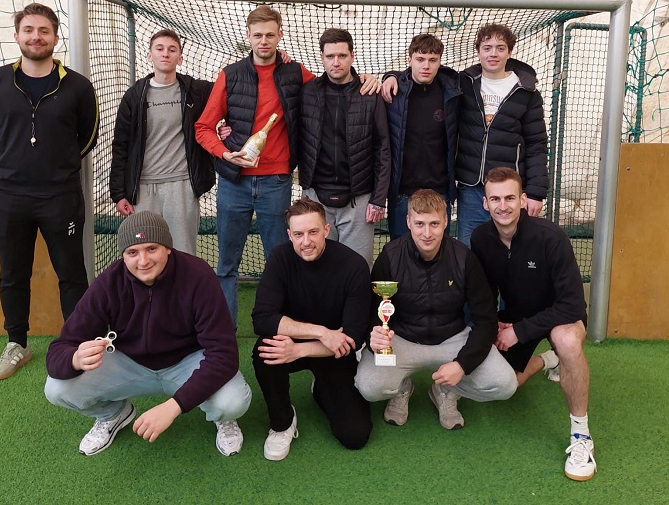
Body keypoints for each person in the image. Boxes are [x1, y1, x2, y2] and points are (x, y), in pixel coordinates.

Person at [195, 5, 379, 327]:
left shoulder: (296, 73)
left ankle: (283, 329)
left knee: (282, 262)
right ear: (248, 36)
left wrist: (369, 79)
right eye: (257, 35)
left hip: (276, 184)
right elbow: (203, 127)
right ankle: (223, 334)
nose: (263, 41)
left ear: (280, 35)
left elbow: (334, 82)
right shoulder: (230, 75)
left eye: (270, 35)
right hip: (233, 184)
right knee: (226, 265)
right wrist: (225, 153)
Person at [44, 211, 251, 457]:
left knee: (232, 402)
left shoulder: (198, 275)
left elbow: (224, 354)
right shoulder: (109, 282)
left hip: (187, 363)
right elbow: (60, 348)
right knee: (56, 388)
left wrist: (175, 406)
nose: (143, 261)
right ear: (123, 256)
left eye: (152, 249)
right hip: (130, 364)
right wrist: (75, 359)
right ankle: (113, 414)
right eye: (133, 252)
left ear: (168, 248)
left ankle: (222, 418)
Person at [0, 3, 99, 380]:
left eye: (44, 31)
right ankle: (17, 344)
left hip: (61, 196)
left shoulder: (78, 86)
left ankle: (78, 345)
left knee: (71, 272)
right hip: (8, 196)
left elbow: (88, 136)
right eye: (28, 30)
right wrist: (16, 163)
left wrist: (55, 167)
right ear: (17, 36)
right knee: (13, 273)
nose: (36, 37)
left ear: (55, 38)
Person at [471, 167, 596, 481]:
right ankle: (547, 360)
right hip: (518, 318)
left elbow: (572, 305)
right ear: (485, 203)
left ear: (523, 200)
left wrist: (519, 331)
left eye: (510, 198)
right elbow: (485, 294)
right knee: (505, 386)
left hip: (560, 319)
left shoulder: (551, 237)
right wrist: (495, 325)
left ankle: (581, 436)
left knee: (566, 341)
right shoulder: (481, 239)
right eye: (495, 199)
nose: (503, 206)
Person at [355, 189, 517, 430]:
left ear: (445, 222)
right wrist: (375, 336)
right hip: (403, 339)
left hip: (453, 339)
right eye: (419, 224)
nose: (427, 233)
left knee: (504, 385)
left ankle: (446, 390)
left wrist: (462, 365)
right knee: (369, 387)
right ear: (408, 222)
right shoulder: (390, 256)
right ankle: (402, 388)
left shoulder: (464, 258)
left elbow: (486, 320)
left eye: (434, 224)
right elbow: (373, 312)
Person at [252, 197, 373, 460]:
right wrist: (322, 332)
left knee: (355, 435)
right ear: (289, 235)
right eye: (298, 234)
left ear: (326, 230)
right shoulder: (280, 258)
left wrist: (300, 350)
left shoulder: (353, 265)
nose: (306, 241)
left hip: (334, 352)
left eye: (313, 232)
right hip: (311, 340)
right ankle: (282, 422)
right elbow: (262, 319)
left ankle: (321, 389)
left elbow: (353, 336)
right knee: (265, 350)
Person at [109, 29, 214, 256]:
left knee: (183, 253)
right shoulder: (134, 96)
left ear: (180, 58)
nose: (165, 53)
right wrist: (118, 193)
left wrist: (278, 57)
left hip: (182, 185)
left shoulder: (196, 91)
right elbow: (121, 145)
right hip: (143, 188)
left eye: (172, 49)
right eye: (160, 48)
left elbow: (231, 90)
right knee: (145, 252)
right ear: (150, 56)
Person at [298, 28, 390, 266]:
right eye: (330, 56)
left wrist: (378, 198)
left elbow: (383, 148)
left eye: (342, 55)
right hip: (316, 197)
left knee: (358, 269)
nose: (336, 62)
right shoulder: (307, 92)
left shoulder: (370, 93)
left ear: (352, 56)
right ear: (322, 57)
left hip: (358, 199)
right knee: (317, 268)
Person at [455, 23, 548, 246]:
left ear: (509, 52)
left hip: (509, 189)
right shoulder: (463, 84)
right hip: (472, 188)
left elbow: (536, 144)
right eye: (487, 48)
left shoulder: (526, 92)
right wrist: (392, 76)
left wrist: (535, 193)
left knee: (511, 249)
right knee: (469, 249)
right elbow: (425, 74)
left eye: (500, 48)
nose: (493, 54)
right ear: (478, 52)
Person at [379, 34, 460, 239]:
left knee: (438, 250)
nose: (426, 66)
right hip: (402, 193)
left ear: (440, 62)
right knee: (401, 251)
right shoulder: (395, 92)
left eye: (432, 60)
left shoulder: (452, 92)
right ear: (409, 60)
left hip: (439, 191)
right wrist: (389, 76)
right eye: (420, 59)